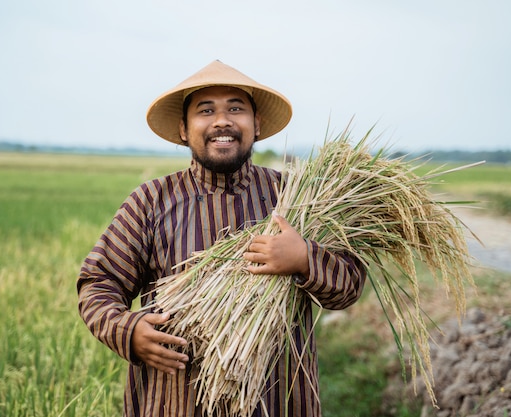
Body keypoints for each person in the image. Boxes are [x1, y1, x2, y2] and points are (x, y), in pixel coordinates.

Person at [77, 60, 367, 417]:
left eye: (235, 108)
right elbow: (98, 283)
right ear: (184, 129)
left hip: (276, 400)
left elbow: (350, 285)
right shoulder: (151, 201)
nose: (222, 121)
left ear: (256, 125)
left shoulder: (298, 198)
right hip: (173, 401)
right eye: (206, 110)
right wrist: (130, 330)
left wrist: (305, 258)